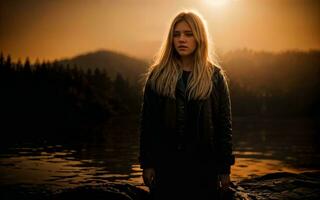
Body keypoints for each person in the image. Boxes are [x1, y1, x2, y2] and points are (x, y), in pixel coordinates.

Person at [139, 10, 235, 200]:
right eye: (177, 34)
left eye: (188, 34)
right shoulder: (157, 76)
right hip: (166, 168)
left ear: (199, 37)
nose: (181, 39)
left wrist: (224, 169)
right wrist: (147, 164)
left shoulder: (215, 77)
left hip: (204, 168)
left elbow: (224, 126)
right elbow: (147, 124)